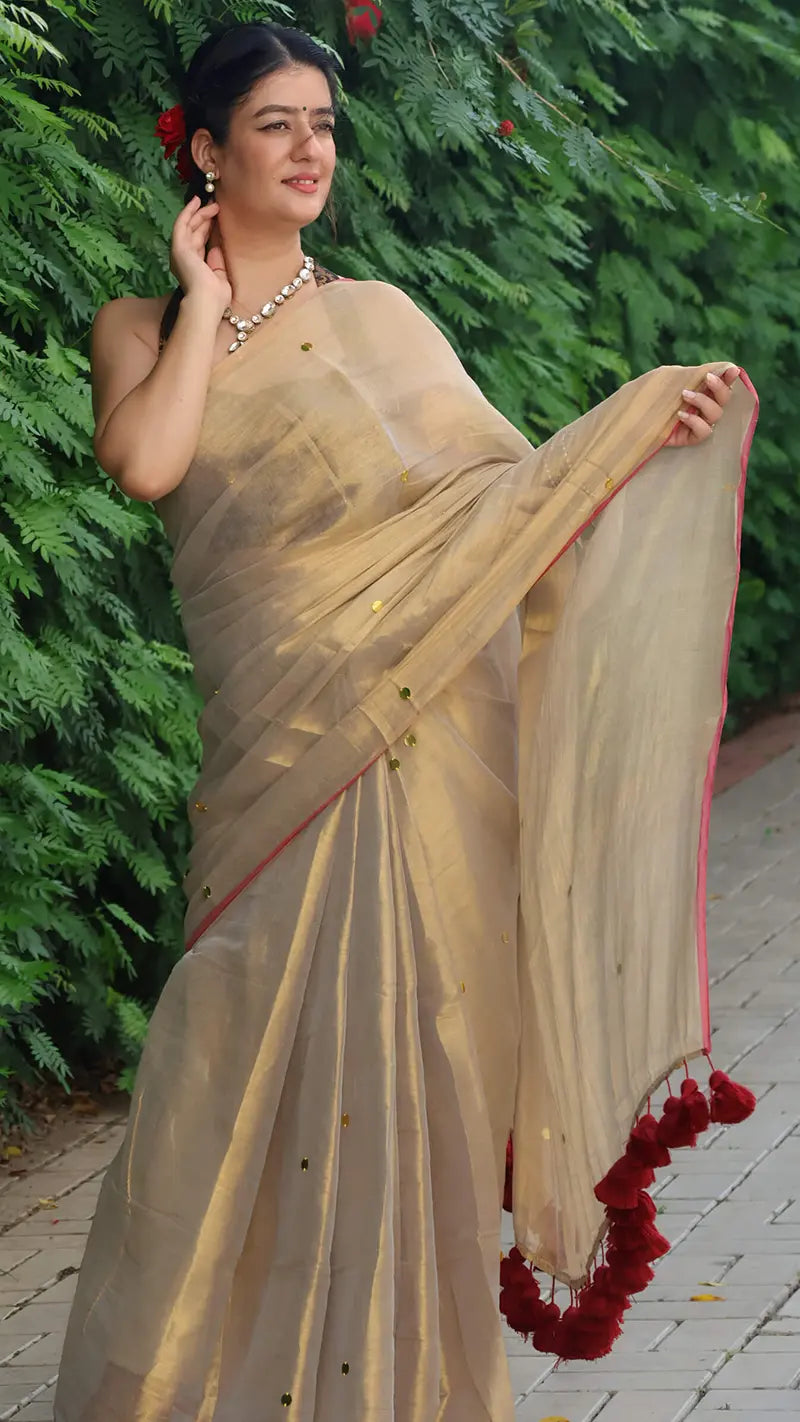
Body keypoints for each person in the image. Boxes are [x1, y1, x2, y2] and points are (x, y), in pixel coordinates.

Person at [53, 19, 759, 1422]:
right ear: (204, 148)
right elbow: (146, 461)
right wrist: (206, 302)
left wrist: (624, 439)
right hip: (272, 760)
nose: (313, 148)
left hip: (417, 745)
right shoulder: (137, 327)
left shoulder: (380, 315)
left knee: (415, 1058)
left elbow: (492, 506)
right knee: (222, 1059)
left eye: (325, 122)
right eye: (276, 125)